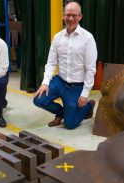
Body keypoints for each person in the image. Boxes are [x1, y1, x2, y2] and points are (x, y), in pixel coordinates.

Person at [33, 1, 97, 129]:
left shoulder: (88, 38)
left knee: (70, 125)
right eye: (68, 15)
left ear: (80, 17)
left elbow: (90, 69)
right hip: (60, 81)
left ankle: (88, 106)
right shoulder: (57, 37)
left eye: (74, 15)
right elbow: (51, 62)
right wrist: (45, 83)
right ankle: (61, 112)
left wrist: (85, 93)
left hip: (76, 86)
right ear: (63, 16)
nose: (71, 18)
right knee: (38, 100)